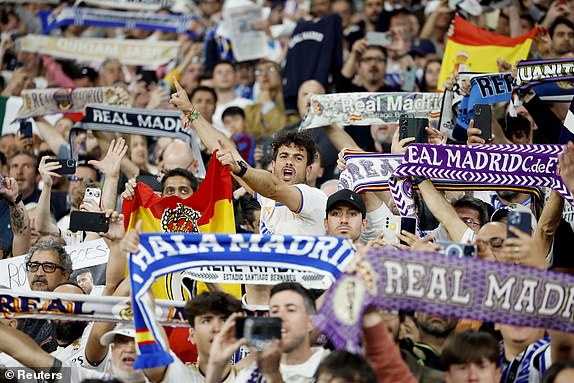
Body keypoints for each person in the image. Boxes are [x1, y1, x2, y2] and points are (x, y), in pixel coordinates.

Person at [207, 282, 330, 383]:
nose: (280, 317)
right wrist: (216, 367)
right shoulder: (251, 375)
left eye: (290, 310)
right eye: (275, 311)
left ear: (310, 322)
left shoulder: (334, 368)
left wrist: (273, 377)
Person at [19, 239, 73, 352]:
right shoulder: (16, 312)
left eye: (48, 266)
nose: (39, 273)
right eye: (34, 266)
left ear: (65, 275)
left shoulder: (72, 318)